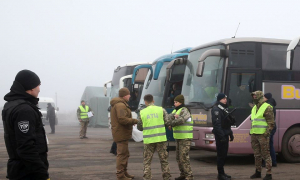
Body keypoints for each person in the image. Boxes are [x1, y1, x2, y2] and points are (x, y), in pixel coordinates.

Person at [2, 70, 49, 180]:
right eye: (38, 85)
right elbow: (26, 147)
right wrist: (41, 174)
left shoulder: (10, 105)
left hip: (18, 168)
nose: (39, 89)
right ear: (31, 87)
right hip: (28, 172)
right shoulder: (24, 110)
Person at [137, 94, 171, 180]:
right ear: (153, 101)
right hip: (161, 139)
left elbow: (139, 127)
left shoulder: (142, 112)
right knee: (164, 160)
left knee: (147, 161)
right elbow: (168, 122)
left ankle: (147, 177)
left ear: (145, 102)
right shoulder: (161, 110)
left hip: (149, 140)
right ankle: (167, 177)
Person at [110, 87, 138, 180]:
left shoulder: (121, 104)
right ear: (125, 95)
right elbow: (122, 119)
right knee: (122, 155)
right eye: (129, 94)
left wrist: (130, 121)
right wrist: (134, 120)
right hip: (121, 133)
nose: (130, 96)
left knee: (125, 154)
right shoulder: (120, 105)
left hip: (122, 133)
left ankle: (124, 172)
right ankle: (120, 175)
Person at [250, 91, 275, 180]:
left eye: (255, 97)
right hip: (254, 134)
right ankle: (258, 172)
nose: (254, 98)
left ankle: (269, 174)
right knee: (257, 155)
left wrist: (266, 133)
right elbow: (254, 121)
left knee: (266, 154)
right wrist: (251, 132)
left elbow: (271, 123)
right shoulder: (254, 108)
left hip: (263, 135)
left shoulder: (267, 107)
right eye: (253, 97)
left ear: (260, 97)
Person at [169, 95, 193, 180]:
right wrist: (168, 122)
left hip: (185, 137)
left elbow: (181, 120)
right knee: (178, 157)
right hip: (179, 137)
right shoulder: (176, 110)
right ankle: (183, 174)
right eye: (174, 102)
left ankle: (189, 176)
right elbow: (169, 118)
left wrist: (171, 123)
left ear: (181, 102)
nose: (174, 103)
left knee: (183, 156)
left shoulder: (185, 110)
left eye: (176, 102)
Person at [211, 93, 234, 180]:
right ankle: (220, 174)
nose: (225, 100)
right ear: (219, 99)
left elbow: (227, 123)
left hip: (225, 133)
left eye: (225, 98)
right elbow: (217, 125)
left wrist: (230, 133)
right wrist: (221, 136)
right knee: (221, 155)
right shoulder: (216, 109)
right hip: (221, 135)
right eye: (223, 98)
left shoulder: (224, 108)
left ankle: (222, 173)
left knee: (224, 155)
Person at [262, 93, 277, 167]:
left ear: (266, 98)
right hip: (272, 127)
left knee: (266, 146)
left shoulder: (268, 105)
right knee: (270, 145)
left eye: (264, 97)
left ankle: (266, 162)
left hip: (269, 127)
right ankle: (273, 161)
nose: (263, 98)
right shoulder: (272, 104)